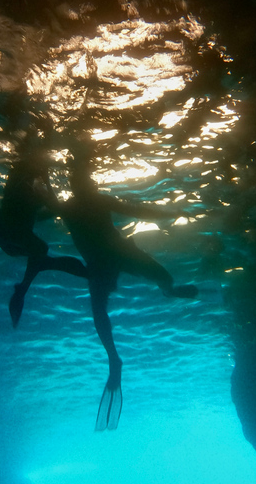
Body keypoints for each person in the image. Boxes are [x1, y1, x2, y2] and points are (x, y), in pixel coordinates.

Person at [52, 139, 198, 431]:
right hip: (115, 253)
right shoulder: (89, 201)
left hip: (100, 261)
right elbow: (137, 211)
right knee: (159, 277)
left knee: (99, 309)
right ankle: (167, 292)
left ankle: (114, 358)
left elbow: (134, 210)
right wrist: (169, 213)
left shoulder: (68, 205)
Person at [0, 139, 88, 328]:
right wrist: (48, 183)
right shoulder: (34, 191)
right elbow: (51, 208)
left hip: (4, 236)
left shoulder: (17, 186)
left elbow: (30, 211)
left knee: (39, 251)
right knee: (41, 249)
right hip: (11, 235)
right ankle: (26, 284)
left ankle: (39, 270)